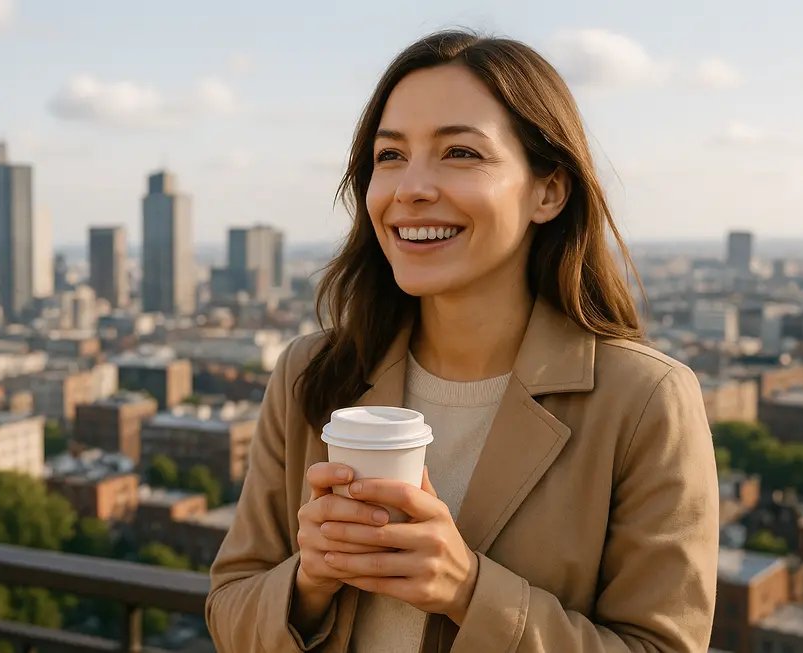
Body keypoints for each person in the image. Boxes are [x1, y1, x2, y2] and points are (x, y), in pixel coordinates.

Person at [206, 29, 718, 653]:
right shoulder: (312, 372)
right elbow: (229, 607)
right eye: (389, 156)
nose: (410, 188)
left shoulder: (643, 402)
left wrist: (470, 591)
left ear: (548, 191)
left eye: (461, 154)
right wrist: (309, 581)